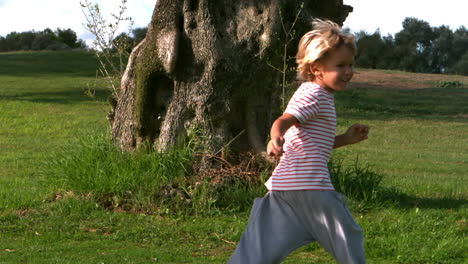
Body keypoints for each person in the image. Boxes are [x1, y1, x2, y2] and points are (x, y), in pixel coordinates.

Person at [228, 19, 370, 264]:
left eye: (350, 64)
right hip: (311, 186)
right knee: (347, 235)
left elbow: (316, 145)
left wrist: (345, 139)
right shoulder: (314, 94)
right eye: (340, 65)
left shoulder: (317, 94)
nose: (349, 71)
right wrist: (275, 138)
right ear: (316, 68)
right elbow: (283, 120)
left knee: (261, 243)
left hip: (285, 186)